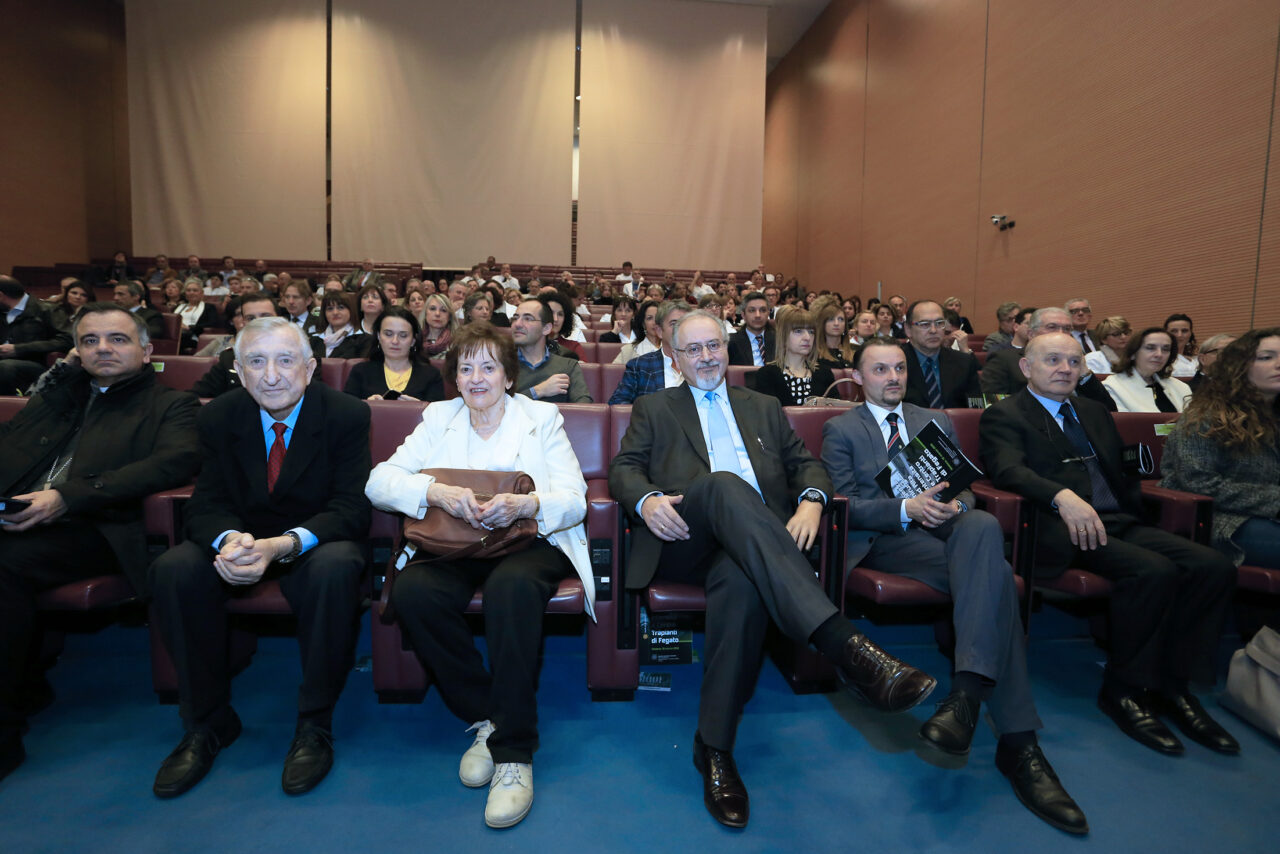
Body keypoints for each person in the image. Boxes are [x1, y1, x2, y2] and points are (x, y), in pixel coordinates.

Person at [608, 310, 936, 829]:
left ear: (727, 348)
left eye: (714, 345)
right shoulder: (655, 407)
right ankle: (841, 643)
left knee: (741, 582)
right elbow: (624, 469)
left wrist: (810, 501)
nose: (707, 357)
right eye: (692, 349)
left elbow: (807, 464)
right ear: (673, 355)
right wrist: (646, 500)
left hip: (757, 547)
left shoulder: (760, 405)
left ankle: (713, 747)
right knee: (721, 484)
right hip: (685, 538)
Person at [821, 337, 1086, 834]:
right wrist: (906, 508)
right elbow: (844, 504)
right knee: (999, 582)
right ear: (859, 378)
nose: (893, 378)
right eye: (880, 370)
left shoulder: (932, 420)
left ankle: (965, 697)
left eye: (899, 368)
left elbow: (964, 485)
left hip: (948, 531)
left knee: (981, 524)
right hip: (887, 540)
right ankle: (1019, 743)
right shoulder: (842, 429)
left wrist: (958, 505)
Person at [365, 323, 594, 828]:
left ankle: (514, 753)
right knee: (417, 591)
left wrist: (524, 504)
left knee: (511, 590)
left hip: (526, 543)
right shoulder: (438, 416)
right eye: (465, 368)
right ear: (454, 376)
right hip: (455, 544)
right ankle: (490, 717)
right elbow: (380, 481)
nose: (476, 378)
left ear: (508, 375)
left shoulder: (542, 417)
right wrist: (437, 493)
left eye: (488, 367)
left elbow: (575, 499)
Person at [980, 333, 1239, 757]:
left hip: (1118, 520)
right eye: (1053, 360)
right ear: (1027, 368)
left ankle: (1173, 686)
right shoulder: (1005, 415)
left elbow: (1124, 469)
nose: (1065, 368)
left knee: (1213, 566)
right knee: (1152, 571)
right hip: (1062, 527)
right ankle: (1124, 690)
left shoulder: (1094, 411)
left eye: (1074, 361)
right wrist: (1062, 497)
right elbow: (1008, 471)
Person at [148, 318, 371, 799]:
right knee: (174, 569)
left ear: (311, 368)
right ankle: (206, 722)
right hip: (242, 541)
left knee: (337, 569)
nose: (272, 375)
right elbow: (205, 503)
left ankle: (314, 724)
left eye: (286, 360)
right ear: (239, 370)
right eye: (257, 361)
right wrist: (230, 541)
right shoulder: (218, 417)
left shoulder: (346, 415)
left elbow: (351, 509)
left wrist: (283, 545)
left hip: (312, 543)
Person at [0, 304, 201, 783]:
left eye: (117, 339)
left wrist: (66, 499)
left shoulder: (171, 404)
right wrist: (61, 380)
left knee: (4, 565)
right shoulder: (58, 399)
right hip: (18, 518)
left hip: (98, 529)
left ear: (147, 351)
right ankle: (26, 685)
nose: (103, 349)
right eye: (90, 341)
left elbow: (171, 465)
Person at [1161, 328, 1280, 569]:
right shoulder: (1205, 416)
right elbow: (1198, 483)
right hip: (1224, 520)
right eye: (1267, 357)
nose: (1279, 364)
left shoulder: (1273, 414)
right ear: (1239, 367)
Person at [191, 294, 325, 398]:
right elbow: (197, 395)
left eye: (265, 316)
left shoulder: (303, 353)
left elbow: (311, 397)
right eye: (250, 318)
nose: (258, 323)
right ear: (243, 322)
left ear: (280, 319)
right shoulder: (229, 357)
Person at [981, 308, 1116, 409]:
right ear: (1031, 334)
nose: (1060, 333)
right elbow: (991, 404)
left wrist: (1084, 373)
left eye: (1067, 329)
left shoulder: (1075, 364)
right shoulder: (1004, 359)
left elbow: (1108, 410)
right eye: (1052, 327)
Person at [342, 307, 444, 402]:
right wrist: (366, 405)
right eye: (388, 334)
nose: (395, 341)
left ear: (413, 340)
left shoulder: (431, 375)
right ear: (378, 336)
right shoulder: (360, 371)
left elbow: (439, 418)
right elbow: (346, 414)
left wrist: (421, 408)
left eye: (403, 335)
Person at [0, 276, 74, 394]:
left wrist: (18, 349)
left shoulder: (47, 310)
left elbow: (67, 340)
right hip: (4, 361)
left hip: (35, 363)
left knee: (4, 367)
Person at [901, 300, 981, 409]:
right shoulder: (895, 363)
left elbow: (976, 407)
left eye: (939, 323)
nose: (933, 330)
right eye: (925, 324)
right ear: (908, 329)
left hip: (954, 425)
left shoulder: (964, 362)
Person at [608, 301, 689, 404]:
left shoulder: (705, 363)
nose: (680, 328)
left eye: (685, 323)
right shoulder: (639, 366)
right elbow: (617, 404)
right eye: (674, 324)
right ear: (659, 331)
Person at [752, 307, 836, 406]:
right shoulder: (767, 375)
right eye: (798, 331)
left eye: (811, 332)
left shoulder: (825, 374)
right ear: (783, 335)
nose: (807, 338)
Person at [511, 300, 591, 403]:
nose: (517, 324)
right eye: (515, 318)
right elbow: (493, 407)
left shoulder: (568, 365)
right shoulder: (500, 363)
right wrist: (538, 391)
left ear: (546, 328)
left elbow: (584, 408)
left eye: (528, 319)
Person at [1103, 328, 1192, 413]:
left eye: (1165, 349)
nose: (1159, 354)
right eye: (1150, 348)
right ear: (1133, 353)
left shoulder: (1181, 387)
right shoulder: (1112, 387)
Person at [315, 291, 369, 359]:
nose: (335, 312)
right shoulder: (315, 340)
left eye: (341, 307)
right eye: (330, 309)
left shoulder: (364, 340)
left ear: (351, 310)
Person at [726, 291, 774, 367]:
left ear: (768, 313)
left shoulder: (779, 340)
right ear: (743, 315)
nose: (758, 315)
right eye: (752, 310)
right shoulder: (730, 342)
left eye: (763, 310)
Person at [612, 299, 662, 364]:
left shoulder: (674, 349)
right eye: (649, 318)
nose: (655, 322)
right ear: (643, 323)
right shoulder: (629, 350)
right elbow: (613, 372)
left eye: (658, 317)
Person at [811, 296, 855, 369]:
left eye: (841, 319)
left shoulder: (854, 352)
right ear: (823, 323)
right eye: (831, 319)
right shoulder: (814, 353)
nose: (836, 323)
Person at [174, 279, 219, 349]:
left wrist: (189, 327)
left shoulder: (209, 307)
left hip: (193, 336)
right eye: (188, 290)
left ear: (202, 293)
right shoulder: (178, 307)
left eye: (195, 290)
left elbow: (213, 323)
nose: (191, 293)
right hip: (176, 334)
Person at [538, 291, 584, 360]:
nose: (555, 319)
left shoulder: (573, 347)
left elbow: (582, 369)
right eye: (551, 312)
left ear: (565, 319)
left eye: (560, 314)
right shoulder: (527, 345)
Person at [420, 293, 457, 358]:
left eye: (443, 310)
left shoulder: (457, 343)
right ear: (425, 313)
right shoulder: (415, 340)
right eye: (433, 309)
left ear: (449, 317)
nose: (437, 314)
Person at [1164, 313, 1199, 379]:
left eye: (1184, 331)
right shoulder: (1162, 360)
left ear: (1190, 334)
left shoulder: (1197, 360)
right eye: (1174, 331)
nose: (1179, 335)